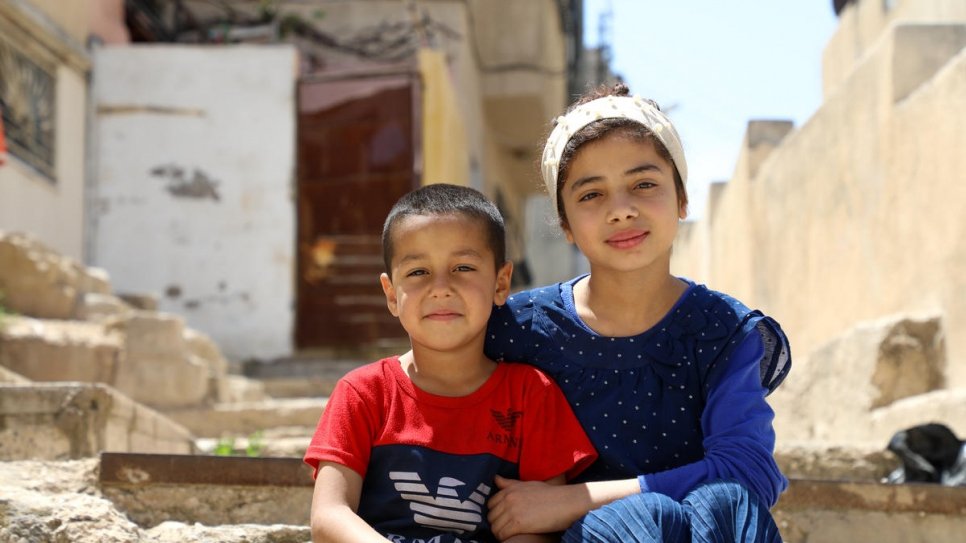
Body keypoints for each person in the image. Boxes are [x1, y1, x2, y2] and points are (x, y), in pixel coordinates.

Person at [483, 83, 792, 543]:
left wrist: (574, 499)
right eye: (591, 195)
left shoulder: (723, 330)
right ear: (565, 223)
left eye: (644, 184)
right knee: (644, 522)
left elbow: (748, 471)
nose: (622, 211)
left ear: (682, 199)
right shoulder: (520, 329)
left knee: (726, 504)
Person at [304, 183, 598, 543]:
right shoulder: (363, 393)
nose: (440, 287)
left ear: (501, 283)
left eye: (462, 267)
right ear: (392, 295)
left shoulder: (531, 394)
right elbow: (329, 515)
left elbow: (541, 525)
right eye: (417, 272)